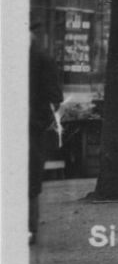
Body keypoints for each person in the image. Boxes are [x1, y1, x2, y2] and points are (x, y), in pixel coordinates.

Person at [30, 20, 63, 245]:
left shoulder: (41, 60)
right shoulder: (43, 59)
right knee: (29, 180)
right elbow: (56, 97)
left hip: (26, 127)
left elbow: (55, 97)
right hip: (30, 127)